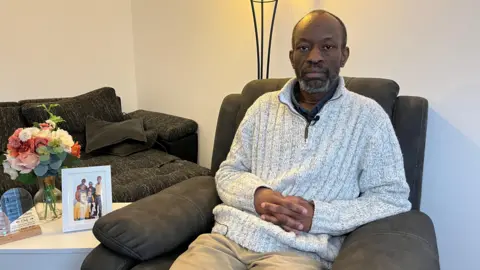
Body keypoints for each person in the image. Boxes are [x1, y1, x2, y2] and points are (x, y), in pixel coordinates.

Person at [170, 9, 411, 270]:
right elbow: (228, 172)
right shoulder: (262, 107)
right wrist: (258, 196)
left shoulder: (369, 117)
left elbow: (391, 197)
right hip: (227, 240)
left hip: (299, 253)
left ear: (344, 55)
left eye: (327, 46)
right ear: (292, 57)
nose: (314, 57)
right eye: (304, 47)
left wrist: (316, 216)